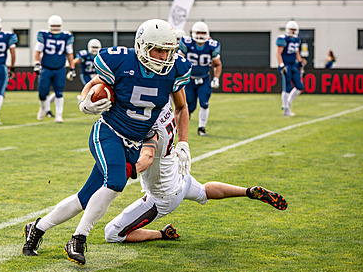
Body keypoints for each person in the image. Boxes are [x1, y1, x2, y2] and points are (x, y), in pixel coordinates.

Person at [22, 19, 192, 265]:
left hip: (135, 142)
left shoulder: (174, 69)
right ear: (142, 46)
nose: (164, 56)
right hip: (109, 132)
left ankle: (37, 229)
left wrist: (184, 143)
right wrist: (83, 101)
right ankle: (78, 238)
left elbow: (182, 106)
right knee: (115, 181)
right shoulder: (121, 61)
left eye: (168, 50)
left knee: (85, 197)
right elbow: (94, 84)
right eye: (158, 49)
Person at [104, 102, 287, 244]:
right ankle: (247, 191)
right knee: (204, 191)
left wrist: (127, 171)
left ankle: (162, 234)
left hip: (163, 195)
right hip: (179, 175)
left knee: (112, 233)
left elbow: (147, 157)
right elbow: (182, 106)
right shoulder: (165, 106)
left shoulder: (148, 125)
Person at [178, 22, 222, 136]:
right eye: (198, 32)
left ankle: (201, 128)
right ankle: (181, 122)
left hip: (204, 78)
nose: (201, 35)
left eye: (203, 32)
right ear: (193, 33)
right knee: (189, 105)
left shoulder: (212, 45)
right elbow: (179, 61)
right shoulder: (186, 43)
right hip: (189, 80)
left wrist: (216, 78)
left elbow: (217, 64)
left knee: (204, 103)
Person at [34, 15, 75, 123]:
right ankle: (43, 107)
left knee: (59, 92)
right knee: (42, 93)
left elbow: (69, 53)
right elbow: (37, 51)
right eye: (53, 26)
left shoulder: (66, 37)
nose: (55, 28)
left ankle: (59, 115)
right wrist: (37, 63)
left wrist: (72, 68)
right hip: (46, 68)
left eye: (57, 26)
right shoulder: (44, 36)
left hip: (60, 68)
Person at [277, 21, 306, 117]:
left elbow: (297, 52)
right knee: (287, 87)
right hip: (286, 65)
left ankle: (287, 103)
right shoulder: (283, 39)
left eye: (294, 30)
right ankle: (286, 109)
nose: (293, 31)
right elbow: (278, 53)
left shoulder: (296, 40)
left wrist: (300, 62)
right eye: (291, 30)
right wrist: (281, 65)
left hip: (293, 65)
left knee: (299, 87)